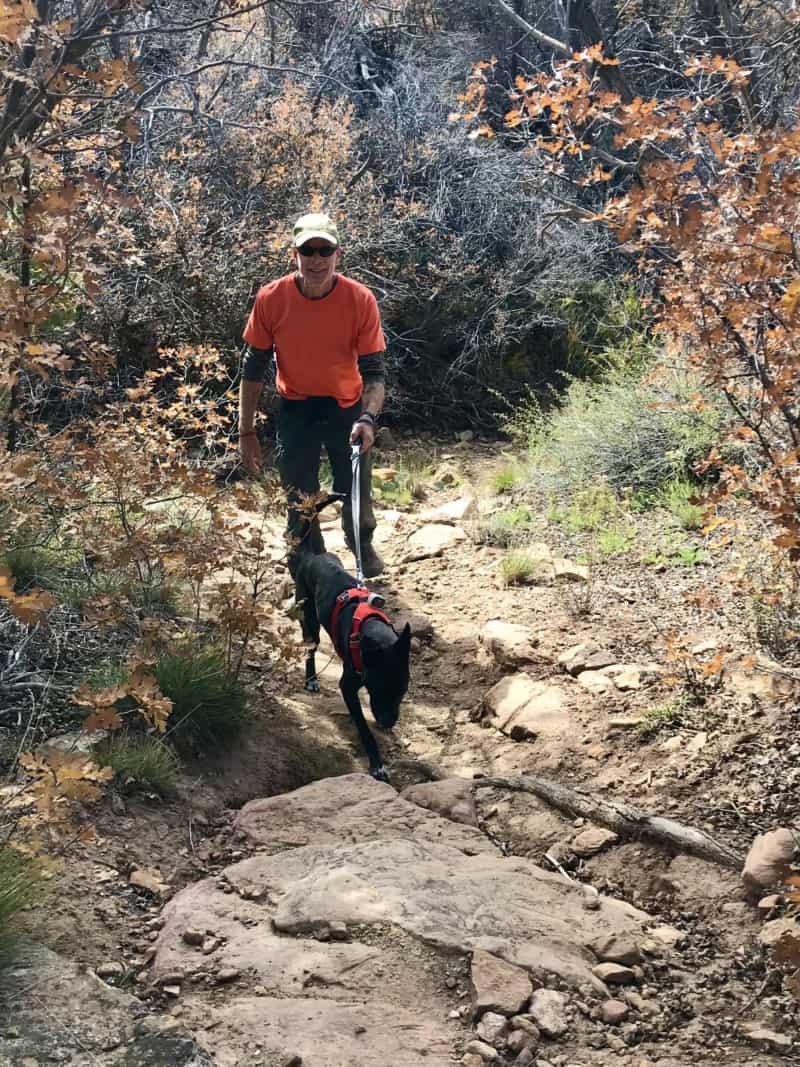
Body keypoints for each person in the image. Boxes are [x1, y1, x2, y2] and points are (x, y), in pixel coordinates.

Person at [238, 212, 386, 578]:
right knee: (299, 495)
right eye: (309, 251)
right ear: (295, 254)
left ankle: (361, 545)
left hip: (346, 408)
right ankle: (308, 563)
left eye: (325, 251)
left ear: (338, 255)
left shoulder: (360, 300)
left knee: (355, 491)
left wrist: (368, 419)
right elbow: (252, 366)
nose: (316, 260)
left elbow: (375, 372)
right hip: (296, 408)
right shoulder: (272, 298)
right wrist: (246, 432)